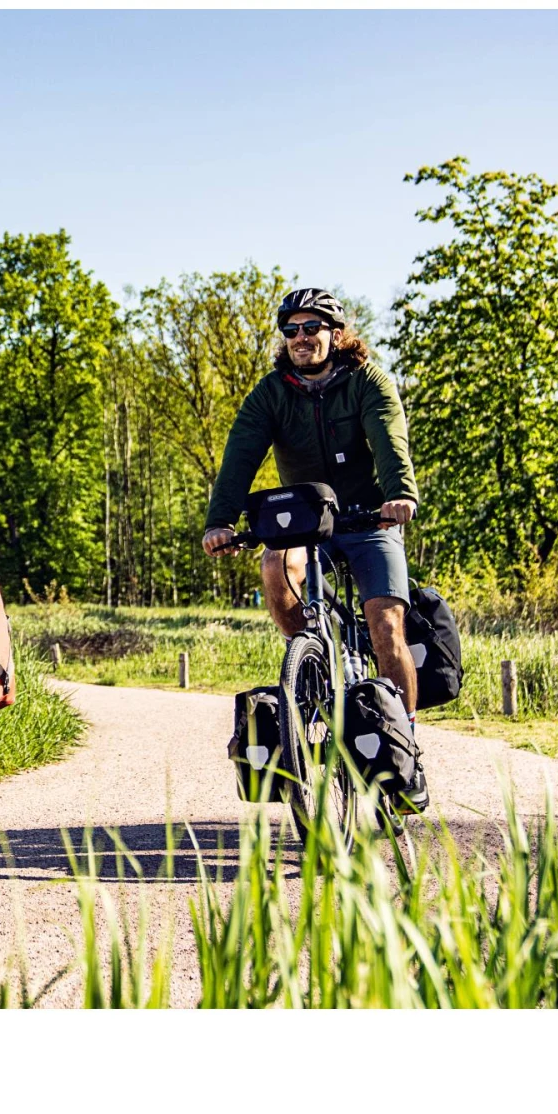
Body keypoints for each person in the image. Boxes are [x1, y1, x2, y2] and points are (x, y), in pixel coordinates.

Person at [201, 287, 428, 807]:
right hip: (303, 520)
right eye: (291, 330)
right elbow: (240, 456)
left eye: (311, 327)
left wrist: (399, 495)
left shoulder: (366, 380)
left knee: (385, 624)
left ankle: (407, 745)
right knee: (274, 567)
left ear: (335, 333)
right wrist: (220, 522)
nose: (300, 337)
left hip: (368, 518)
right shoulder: (271, 393)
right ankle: (310, 661)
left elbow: (389, 438)